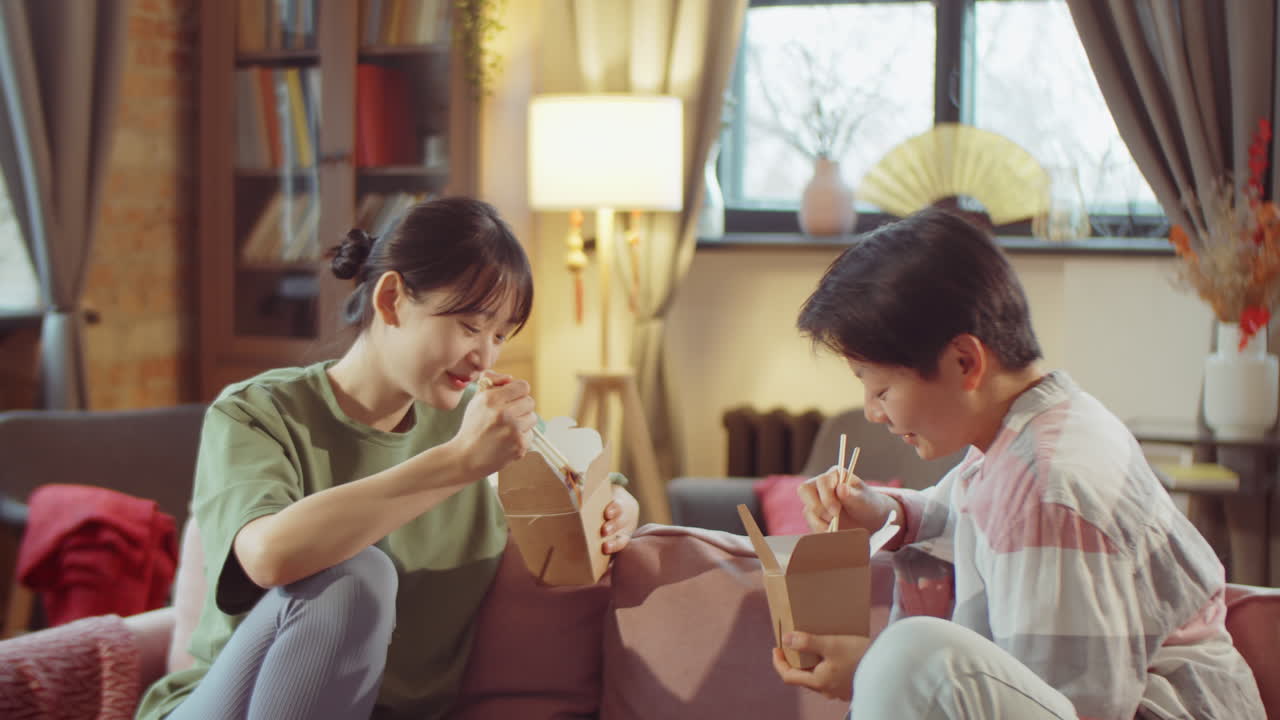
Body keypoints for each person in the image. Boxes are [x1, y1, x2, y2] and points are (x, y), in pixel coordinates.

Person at [136, 197, 639, 720]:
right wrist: (458, 463)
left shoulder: (480, 426)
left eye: (499, 336)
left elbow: (584, 479)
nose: (486, 356)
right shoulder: (257, 413)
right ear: (392, 298)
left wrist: (618, 503)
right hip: (226, 704)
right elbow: (266, 557)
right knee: (357, 575)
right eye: (469, 326)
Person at [772, 207, 1265, 719]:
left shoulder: (1047, 486)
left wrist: (873, 670)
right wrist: (881, 513)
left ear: (965, 362)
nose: (874, 413)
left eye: (881, 389)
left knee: (910, 656)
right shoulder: (1029, 431)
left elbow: (1071, 705)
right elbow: (966, 522)